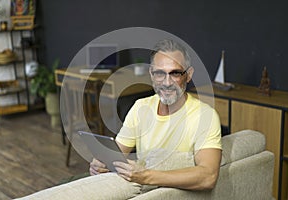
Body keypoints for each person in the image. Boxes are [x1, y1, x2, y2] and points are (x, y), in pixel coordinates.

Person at [90, 39, 222, 192]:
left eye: (175, 73)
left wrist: (146, 176)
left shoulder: (205, 116)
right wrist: (101, 164)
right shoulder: (140, 107)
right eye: (160, 73)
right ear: (151, 74)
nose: (166, 82)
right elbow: (116, 155)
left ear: (189, 75)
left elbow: (208, 176)